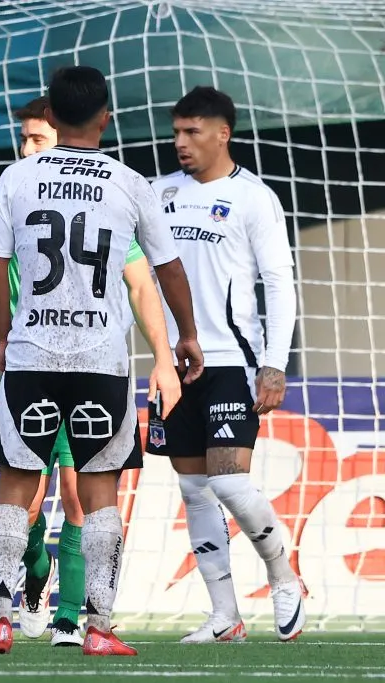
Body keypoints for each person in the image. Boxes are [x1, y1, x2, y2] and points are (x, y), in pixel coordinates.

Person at [0, 65, 203, 656]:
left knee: (16, 485)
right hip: (101, 360)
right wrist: (186, 339)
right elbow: (165, 268)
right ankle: (98, 625)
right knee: (99, 494)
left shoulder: (17, 179)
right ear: (106, 117)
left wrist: (4, 335)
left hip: (32, 355)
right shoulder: (129, 182)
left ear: (48, 114)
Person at [147, 86, 304, 643]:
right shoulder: (157, 192)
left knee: (230, 482)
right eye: (175, 133)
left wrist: (274, 363)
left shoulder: (253, 197)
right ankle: (225, 616)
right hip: (174, 368)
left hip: (231, 362)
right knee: (193, 491)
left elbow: (279, 283)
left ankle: (284, 575)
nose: (180, 143)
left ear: (223, 134)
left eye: (192, 132)